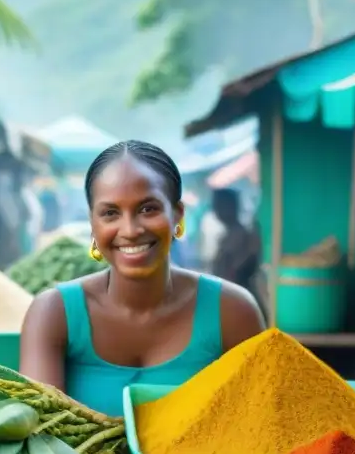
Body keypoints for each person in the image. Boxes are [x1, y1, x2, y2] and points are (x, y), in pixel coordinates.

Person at [20, 140, 266, 418]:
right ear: (93, 224)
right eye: (110, 213)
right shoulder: (54, 313)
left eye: (148, 209)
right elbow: (40, 432)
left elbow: (257, 431)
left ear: (177, 214)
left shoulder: (231, 312)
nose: (131, 229)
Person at [210, 188, 261, 293]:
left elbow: (235, 272)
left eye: (219, 206)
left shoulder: (240, 236)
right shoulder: (230, 236)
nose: (216, 211)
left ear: (231, 207)